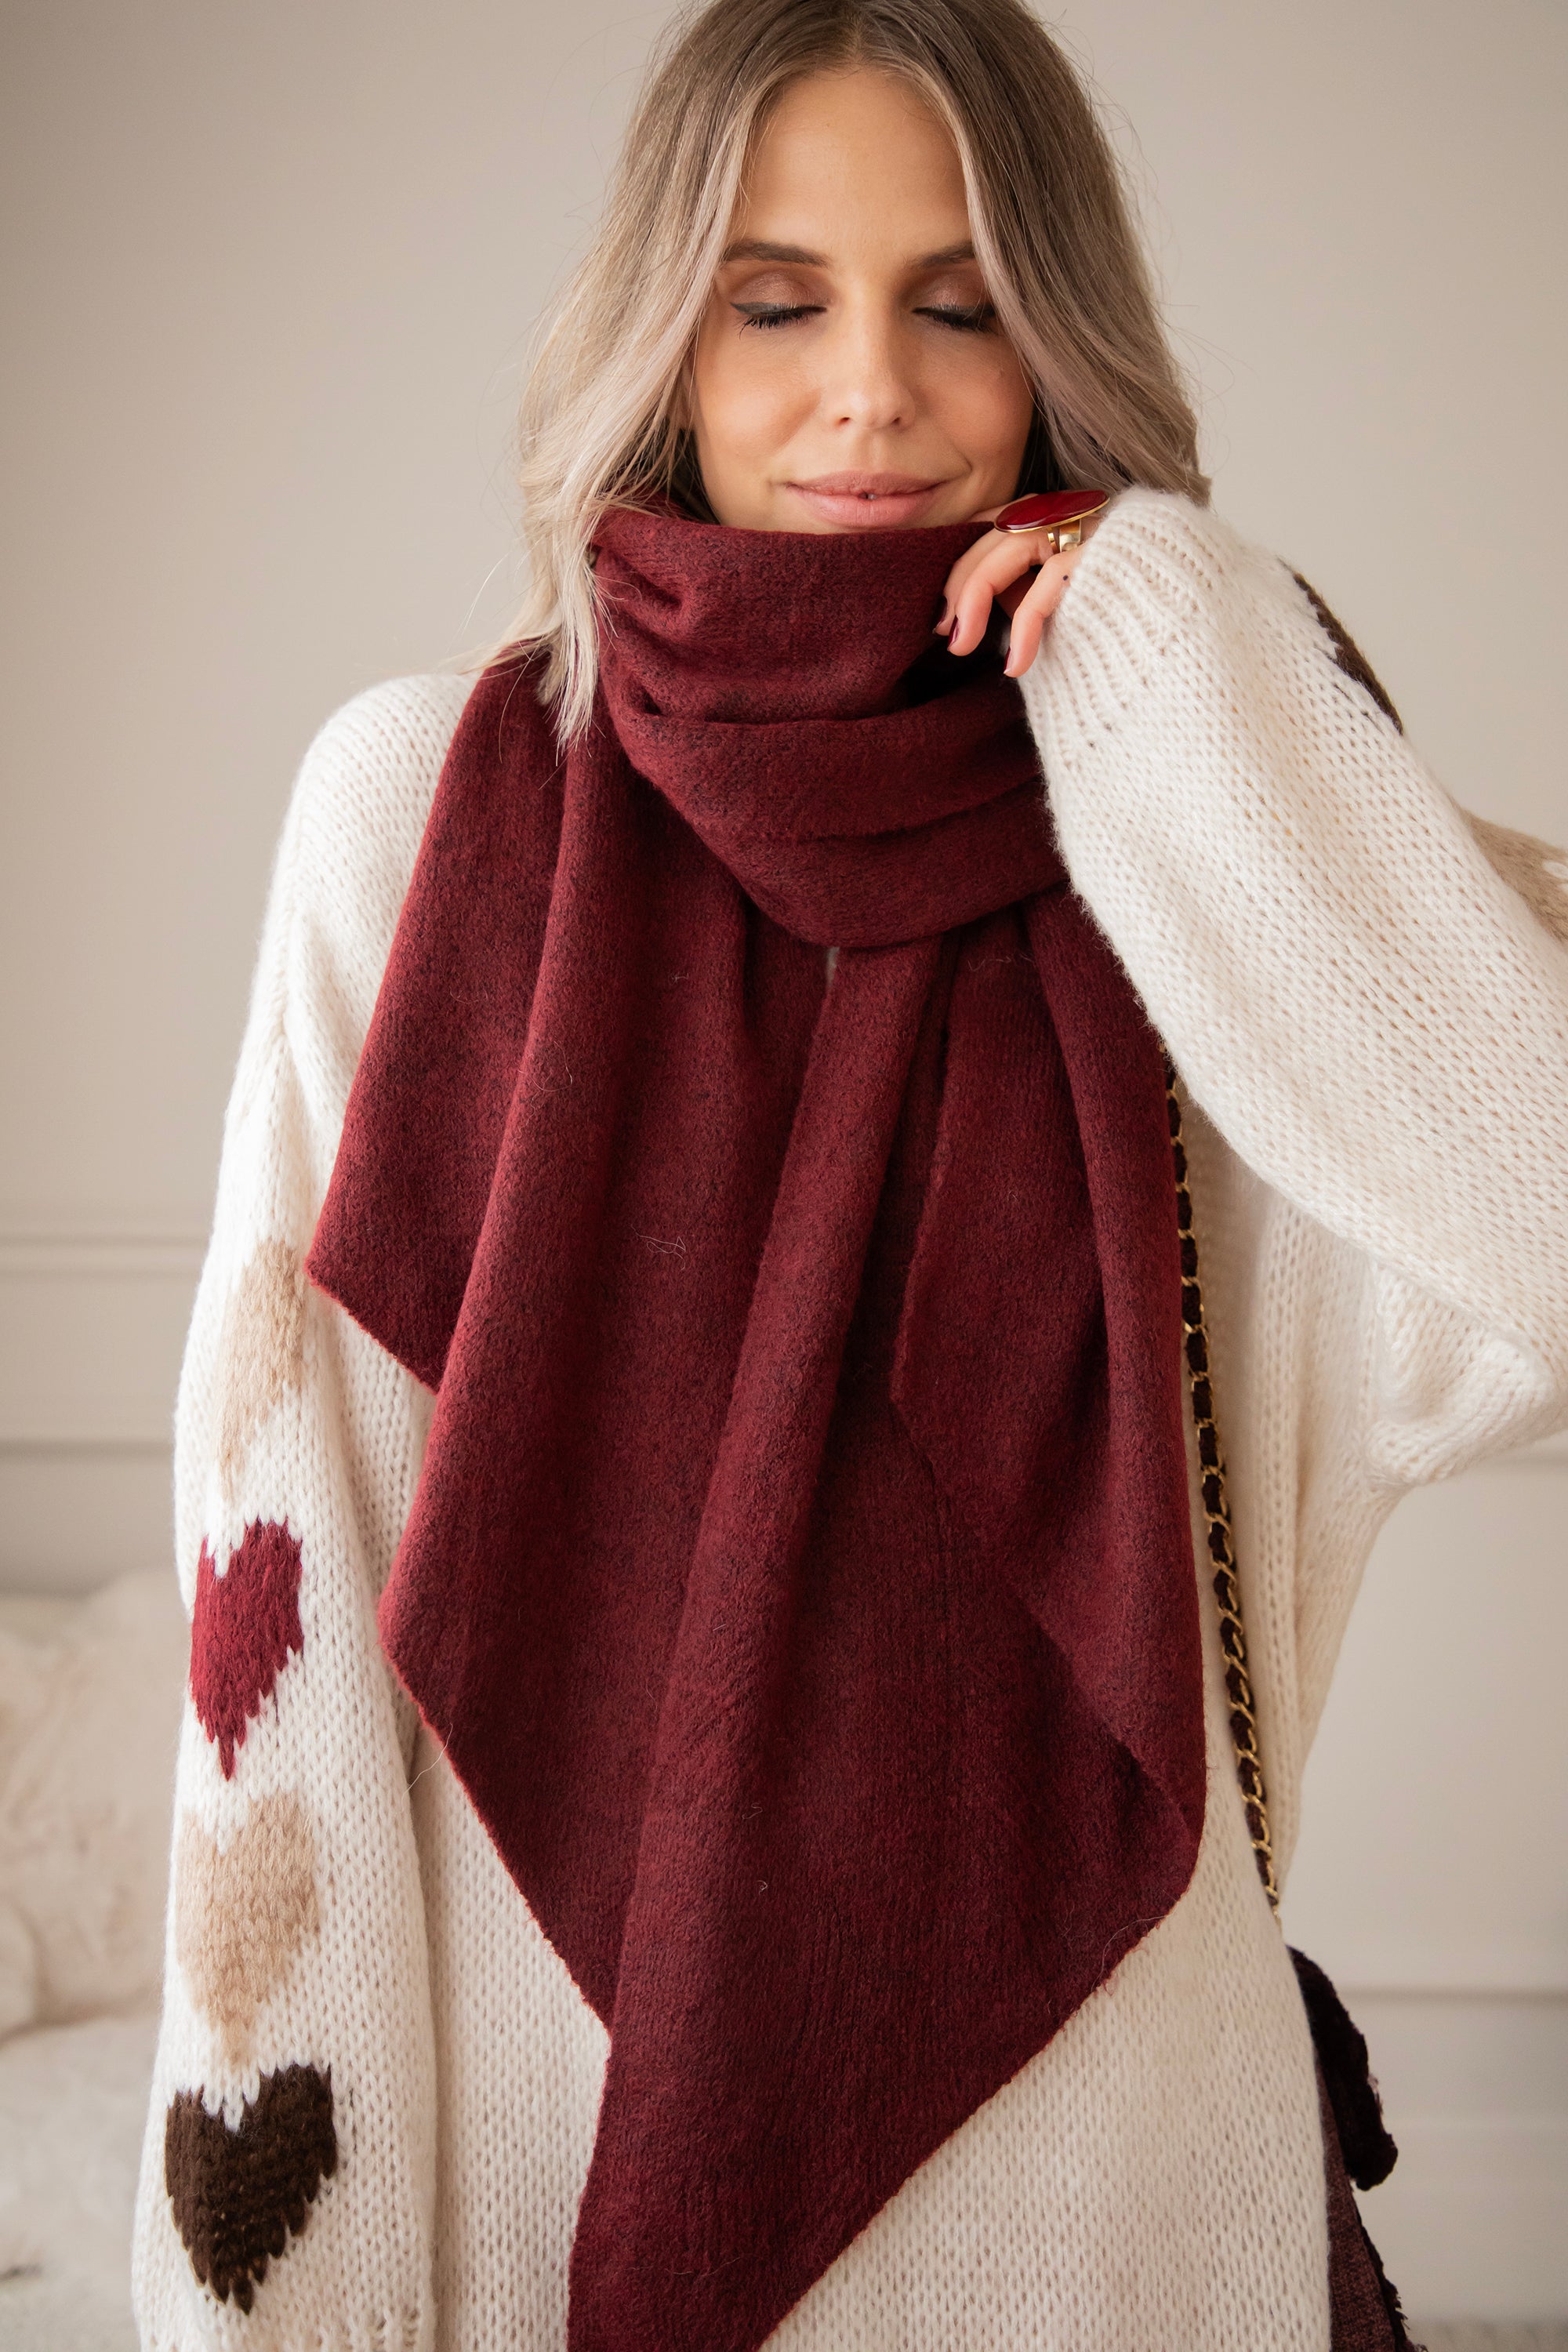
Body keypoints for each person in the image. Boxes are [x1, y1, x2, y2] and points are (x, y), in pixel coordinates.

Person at [131, 2, 1568, 2347]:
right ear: (667, 342)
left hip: (1123, 2206)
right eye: (778, 304)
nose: (872, 393)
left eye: (963, 303)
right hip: (546, 2159)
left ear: (1058, 341)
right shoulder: (425, 815)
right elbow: (278, 1603)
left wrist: (1179, 644)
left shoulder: (1201, 808)